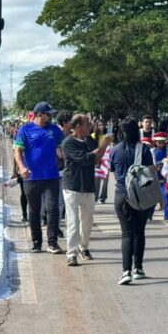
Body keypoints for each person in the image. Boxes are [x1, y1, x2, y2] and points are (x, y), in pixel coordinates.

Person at [108, 117, 157, 284]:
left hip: (122, 194)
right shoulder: (144, 149)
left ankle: (126, 270)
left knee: (127, 233)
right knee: (139, 231)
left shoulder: (115, 150)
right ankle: (138, 268)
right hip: (141, 195)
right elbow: (150, 172)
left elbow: (114, 172)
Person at [61, 114, 112, 266]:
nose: (90, 126)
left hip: (88, 185)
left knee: (87, 221)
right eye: (87, 124)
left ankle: (83, 246)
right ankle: (71, 253)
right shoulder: (68, 142)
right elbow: (84, 159)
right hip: (72, 186)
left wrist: (103, 148)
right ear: (78, 127)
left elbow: (96, 159)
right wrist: (103, 146)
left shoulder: (89, 140)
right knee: (73, 221)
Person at [14, 102, 64, 254]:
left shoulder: (55, 130)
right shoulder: (25, 130)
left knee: (52, 209)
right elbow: (17, 150)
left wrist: (62, 155)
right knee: (34, 210)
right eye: (49, 114)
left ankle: (52, 242)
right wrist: (21, 167)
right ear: (40, 114)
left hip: (51, 177)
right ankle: (36, 242)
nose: (51, 117)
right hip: (31, 177)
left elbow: (62, 148)